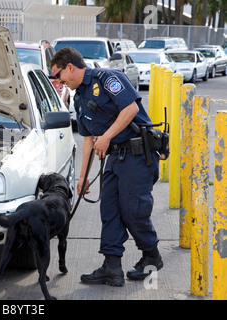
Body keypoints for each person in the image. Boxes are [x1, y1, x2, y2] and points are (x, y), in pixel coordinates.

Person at [51, 47, 163, 287]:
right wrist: (82, 178)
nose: (58, 81)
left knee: (133, 210)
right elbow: (89, 140)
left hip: (137, 155)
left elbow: (131, 108)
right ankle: (111, 267)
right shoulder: (79, 97)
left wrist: (108, 136)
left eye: (58, 75)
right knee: (109, 210)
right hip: (115, 158)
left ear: (69, 67)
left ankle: (152, 255)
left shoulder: (108, 79)